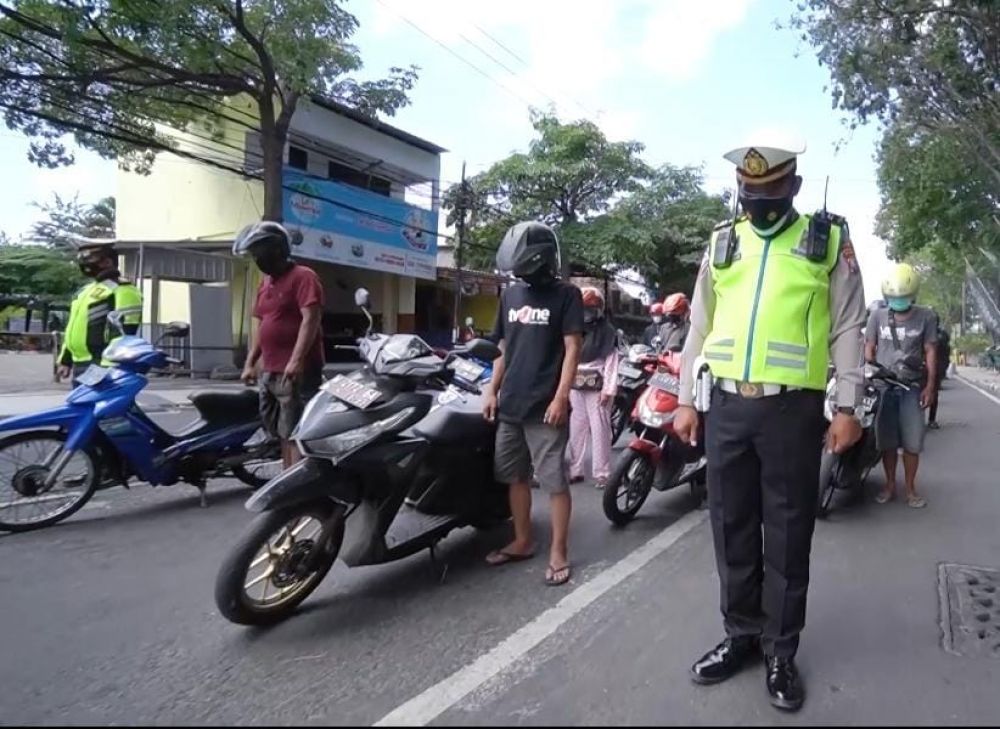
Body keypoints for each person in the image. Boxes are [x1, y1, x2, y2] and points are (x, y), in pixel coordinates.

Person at [674, 137, 867, 712]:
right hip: (727, 406)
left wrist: (849, 407)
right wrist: (685, 398)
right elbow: (697, 326)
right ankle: (741, 636)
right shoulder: (723, 243)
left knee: (787, 534)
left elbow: (849, 327)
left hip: (792, 411)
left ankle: (781, 650)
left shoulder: (826, 241)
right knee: (730, 526)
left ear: (794, 189)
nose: (759, 200)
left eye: (771, 191)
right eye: (749, 191)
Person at [482, 221, 583, 587]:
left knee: (554, 481)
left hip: (546, 407)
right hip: (511, 404)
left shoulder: (566, 295)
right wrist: (491, 390)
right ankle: (523, 540)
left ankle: (559, 550)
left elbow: (573, 349)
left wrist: (561, 396)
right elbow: (502, 349)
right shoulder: (510, 296)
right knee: (515, 476)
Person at [234, 221, 325, 469]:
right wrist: (250, 362)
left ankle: (298, 483)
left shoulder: (303, 277)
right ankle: (290, 477)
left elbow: (311, 319)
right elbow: (261, 326)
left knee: (296, 430)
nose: (255, 259)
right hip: (271, 371)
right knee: (280, 430)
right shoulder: (265, 283)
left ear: (273, 251)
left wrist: (296, 360)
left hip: (298, 371)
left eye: (257, 253)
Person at [865, 263, 937, 507]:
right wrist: (868, 369)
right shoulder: (877, 316)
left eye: (903, 297)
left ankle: (910, 489)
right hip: (884, 387)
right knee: (887, 441)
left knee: (912, 443)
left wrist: (930, 387)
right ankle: (889, 485)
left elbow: (930, 351)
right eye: (894, 298)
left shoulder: (926, 316)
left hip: (911, 387)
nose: (898, 301)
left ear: (913, 294)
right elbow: (869, 347)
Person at [56, 242, 143, 382]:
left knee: (110, 404)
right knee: (82, 404)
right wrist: (66, 360)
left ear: (108, 261)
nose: (84, 263)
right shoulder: (85, 291)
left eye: (90, 259)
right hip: (81, 363)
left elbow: (126, 331)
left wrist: (109, 364)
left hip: (103, 365)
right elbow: (72, 329)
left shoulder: (122, 290)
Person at [567, 286, 620, 489]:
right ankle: (575, 469)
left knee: (600, 429)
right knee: (576, 428)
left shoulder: (607, 332)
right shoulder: (574, 328)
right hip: (575, 384)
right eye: (584, 309)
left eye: (591, 309)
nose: (587, 314)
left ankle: (602, 473)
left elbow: (612, 362)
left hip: (598, 387)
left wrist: (608, 389)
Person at [928, 324, 950, 429]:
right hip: (923, 366)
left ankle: (931, 419)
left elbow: (945, 351)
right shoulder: (923, 331)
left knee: (934, 393)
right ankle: (930, 420)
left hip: (935, 366)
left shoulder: (940, 335)